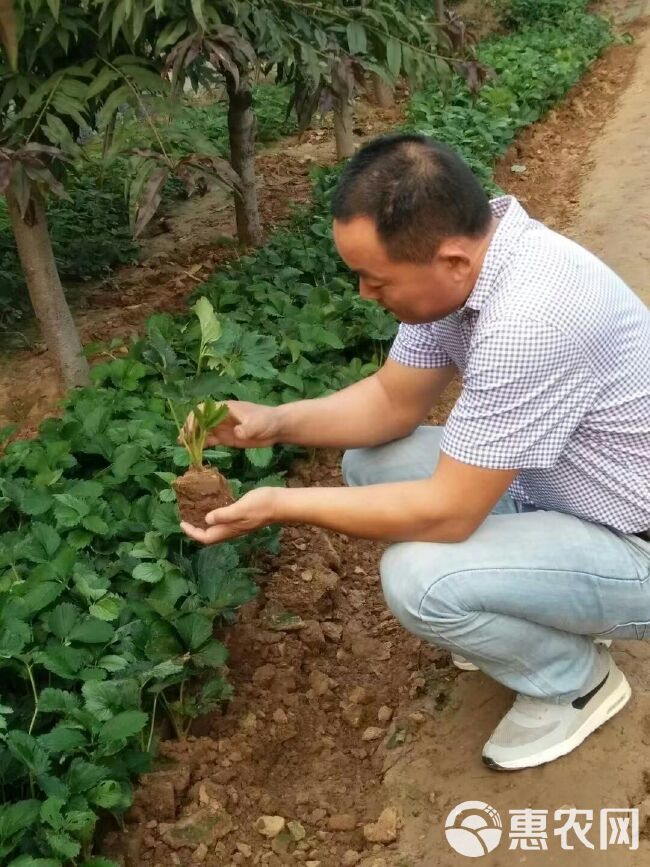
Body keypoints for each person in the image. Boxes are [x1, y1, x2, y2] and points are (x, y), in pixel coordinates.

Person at [180, 133, 650, 771]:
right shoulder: (466, 272)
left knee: (421, 581)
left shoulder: (533, 319)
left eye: (375, 280)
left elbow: (448, 513)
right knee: (371, 465)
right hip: (567, 491)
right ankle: (530, 599)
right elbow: (392, 403)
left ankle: (574, 682)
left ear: (451, 259)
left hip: (634, 540)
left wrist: (278, 504)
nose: (366, 296)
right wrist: (272, 422)